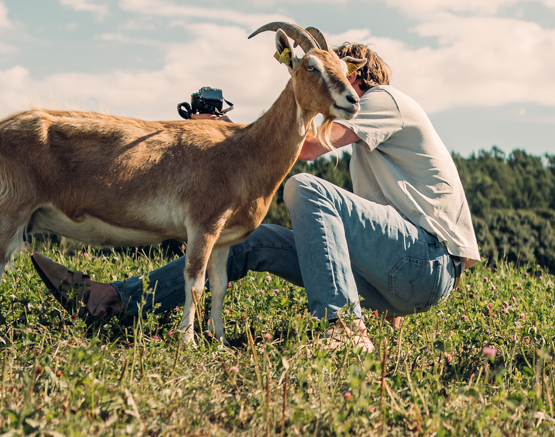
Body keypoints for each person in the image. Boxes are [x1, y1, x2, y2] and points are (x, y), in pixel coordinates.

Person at [30, 43, 478, 352]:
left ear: (354, 76)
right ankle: (115, 299)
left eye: (331, 76)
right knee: (246, 240)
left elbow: (302, 147)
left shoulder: (384, 99)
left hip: (428, 261)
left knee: (306, 189)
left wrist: (219, 138)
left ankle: (340, 328)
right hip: (399, 276)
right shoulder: (367, 147)